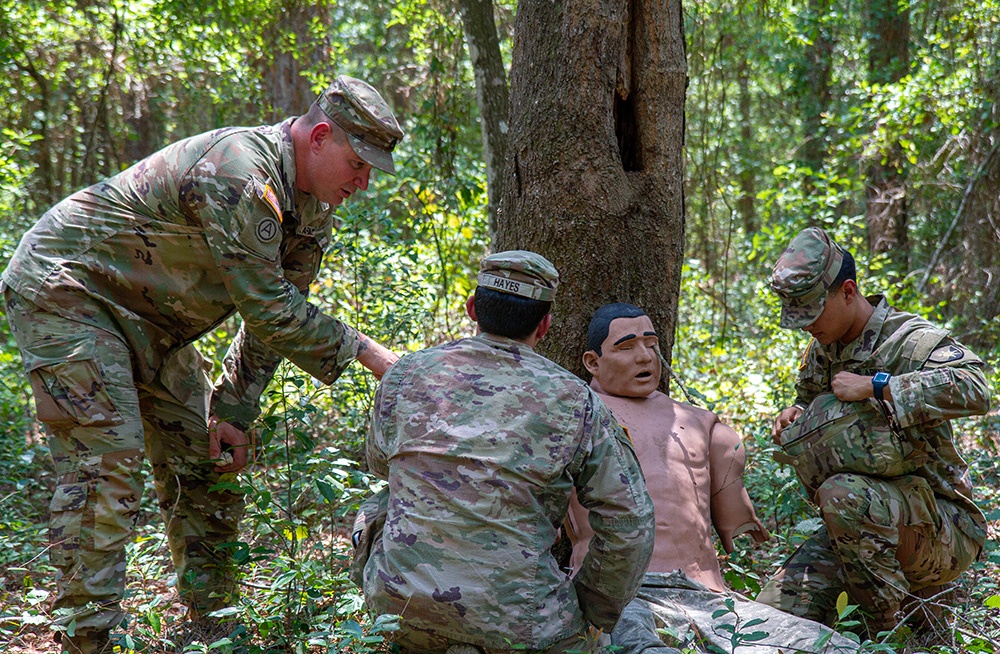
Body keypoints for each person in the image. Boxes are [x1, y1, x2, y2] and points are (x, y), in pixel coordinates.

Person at [1, 75, 404, 654]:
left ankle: (214, 620)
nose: (364, 182)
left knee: (205, 450)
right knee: (107, 457)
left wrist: (234, 407)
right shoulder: (240, 173)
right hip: (69, 290)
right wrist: (372, 355)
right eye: (358, 163)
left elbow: (273, 317)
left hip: (151, 318)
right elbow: (271, 309)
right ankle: (82, 638)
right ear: (319, 136)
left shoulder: (310, 210)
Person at [353, 251, 656, 653]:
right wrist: (593, 611)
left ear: (473, 308)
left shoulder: (404, 374)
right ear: (545, 324)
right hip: (525, 626)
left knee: (380, 502)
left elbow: (380, 464)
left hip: (401, 612)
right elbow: (630, 520)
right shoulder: (575, 400)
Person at [566, 302, 857, 653]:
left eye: (652, 344)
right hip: (618, 597)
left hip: (709, 598)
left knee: (835, 648)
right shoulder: (571, 423)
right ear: (592, 362)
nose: (644, 357)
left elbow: (740, 533)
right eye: (626, 347)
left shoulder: (704, 425)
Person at [756, 226, 990, 637]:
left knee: (842, 494)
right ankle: (898, 602)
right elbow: (810, 396)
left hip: (942, 526)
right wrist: (795, 413)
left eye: (813, 311)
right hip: (859, 523)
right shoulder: (824, 348)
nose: (807, 325)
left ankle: (884, 634)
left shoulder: (910, 341)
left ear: (848, 291)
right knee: (772, 618)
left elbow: (976, 389)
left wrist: (878, 386)